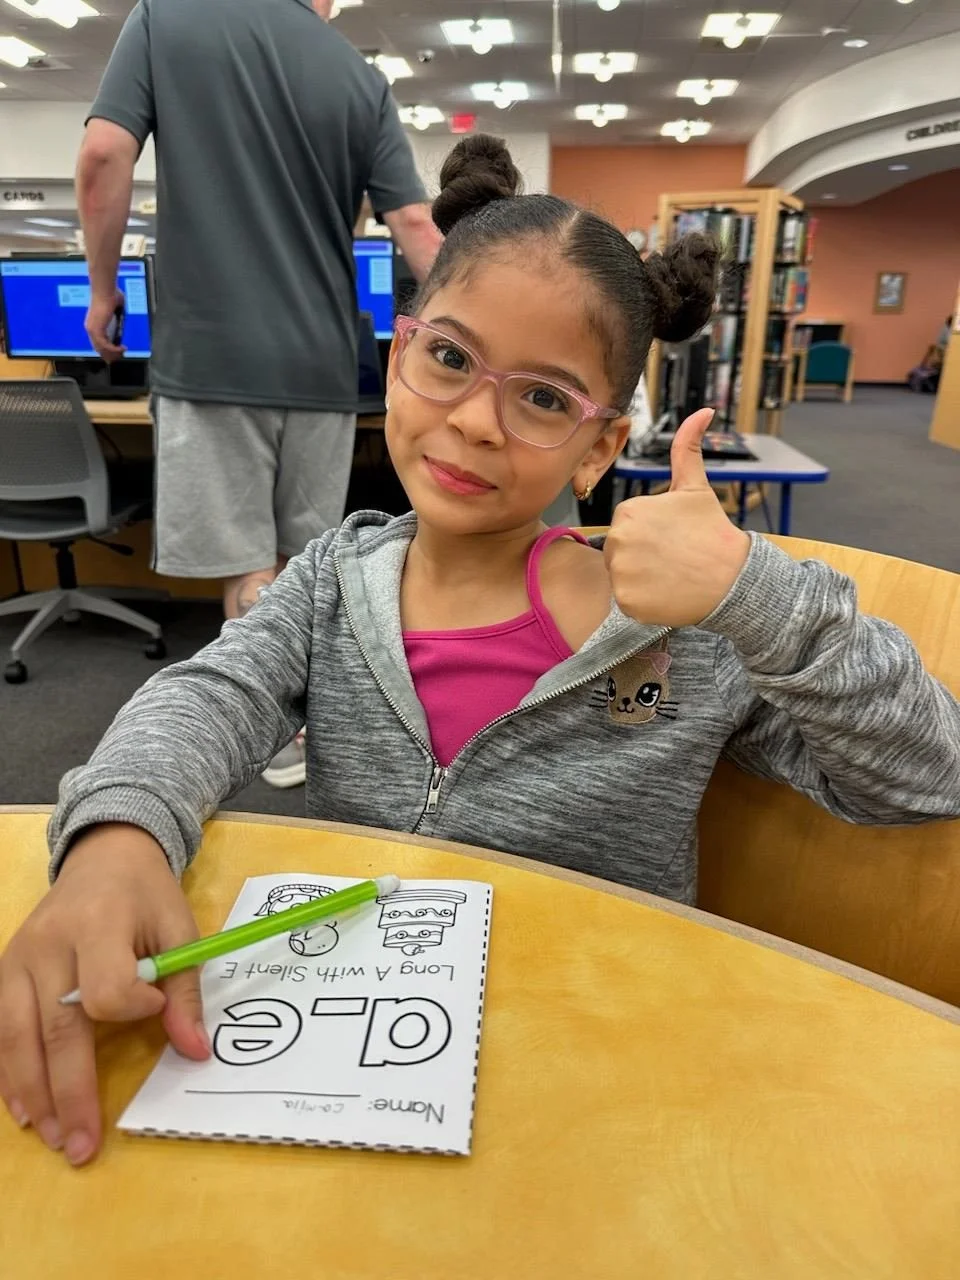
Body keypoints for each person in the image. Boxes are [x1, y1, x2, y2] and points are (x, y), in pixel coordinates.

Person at [3, 135, 958, 1168]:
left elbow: (923, 773)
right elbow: (209, 694)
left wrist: (754, 594)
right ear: (400, 351)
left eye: (544, 397)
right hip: (358, 1052)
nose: (474, 420)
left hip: (605, 1064)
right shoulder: (335, 576)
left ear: (600, 448)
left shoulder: (693, 631)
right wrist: (117, 835)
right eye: (450, 358)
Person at [75, 0, 441, 785]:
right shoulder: (357, 75)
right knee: (303, 564)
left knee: (248, 568)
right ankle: (316, 720)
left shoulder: (165, 20)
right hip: (324, 365)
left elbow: (104, 154)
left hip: (213, 354)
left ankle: (268, 735)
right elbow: (414, 222)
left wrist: (103, 290)